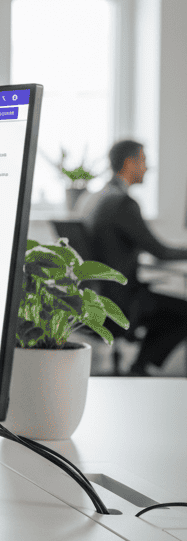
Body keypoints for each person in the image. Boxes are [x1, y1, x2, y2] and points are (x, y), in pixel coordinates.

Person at [83, 139, 187, 376]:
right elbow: (160, 251)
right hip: (121, 301)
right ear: (130, 163)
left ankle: (140, 367)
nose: (147, 168)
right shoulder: (122, 203)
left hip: (101, 295)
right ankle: (140, 368)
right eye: (144, 161)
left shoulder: (97, 197)